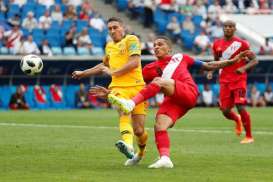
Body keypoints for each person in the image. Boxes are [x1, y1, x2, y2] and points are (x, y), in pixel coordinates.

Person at [90, 36, 251, 168]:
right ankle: (165, 159)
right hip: (173, 99)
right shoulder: (148, 69)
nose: (156, 47)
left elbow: (209, 65)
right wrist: (110, 93)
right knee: (159, 125)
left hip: (188, 91)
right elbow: (134, 85)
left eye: (160, 44)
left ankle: (130, 104)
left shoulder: (180, 57)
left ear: (170, 49)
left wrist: (231, 62)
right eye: (154, 45)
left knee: (159, 81)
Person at [72, 17, 148, 166]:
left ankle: (140, 154)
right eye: (110, 29)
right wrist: (83, 73)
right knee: (123, 110)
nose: (113, 31)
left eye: (115, 27)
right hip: (118, 87)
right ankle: (128, 145)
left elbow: (134, 63)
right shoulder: (109, 47)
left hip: (138, 87)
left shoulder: (131, 40)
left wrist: (114, 72)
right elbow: (103, 66)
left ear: (123, 28)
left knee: (139, 130)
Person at [207, 20, 258, 144]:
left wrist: (243, 68)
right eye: (226, 26)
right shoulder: (217, 44)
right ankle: (237, 120)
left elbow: (254, 60)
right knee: (225, 111)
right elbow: (217, 61)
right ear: (222, 28)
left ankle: (249, 137)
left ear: (235, 29)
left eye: (231, 26)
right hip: (224, 81)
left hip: (239, 80)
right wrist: (210, 71)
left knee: (240, 105)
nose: (228, 28)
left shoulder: (242, 44)